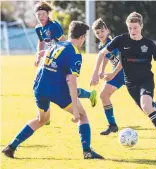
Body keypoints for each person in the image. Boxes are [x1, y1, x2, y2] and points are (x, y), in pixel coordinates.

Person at [2, 21, 104, 159]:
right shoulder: (75, 53)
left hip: (39, 87)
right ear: (82, 37)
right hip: (57, 91)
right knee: (82, 115)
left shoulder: (56, 45)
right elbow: (71, 81)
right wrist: (75, 109)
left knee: (41, 119)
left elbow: (44, 65)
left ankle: (11, 147)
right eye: (84, 37)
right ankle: (87, 151)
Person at [90, 12, 156, 148]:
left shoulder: (148, 44)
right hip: (130, 84)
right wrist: (97, 73)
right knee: (152, 114)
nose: (133, 31)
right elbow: (104, 54)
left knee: (147, 107)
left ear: (141, 27)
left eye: (135, 27)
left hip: (146, 81)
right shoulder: (121, 40)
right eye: (130, 28)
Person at [34, 1, 97, 114]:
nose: (41, 17)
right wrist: (39, 56)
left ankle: (89, 95)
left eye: (43, 14)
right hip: (49, 57)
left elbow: (64, 43)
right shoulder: (38, 28)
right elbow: (41, 41)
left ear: (48, 14)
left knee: (63, 87)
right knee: (45, 83)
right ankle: (44, 114)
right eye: (38, 14)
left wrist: (53, 54)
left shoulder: (54, 26)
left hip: (59, 59)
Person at [91, 18, 124, 135]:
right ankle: (112, 125)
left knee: (140, 102)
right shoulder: (102, 45)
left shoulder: (113, 43)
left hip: (127, 72)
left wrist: (113, 74)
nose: (100, 34)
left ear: (107, 30)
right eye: (97, 33)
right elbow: (106, 57)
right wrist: (102, 70)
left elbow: (124, 60)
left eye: (102, 31)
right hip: (118, 73)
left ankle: (153, 106)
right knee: (103, 95)